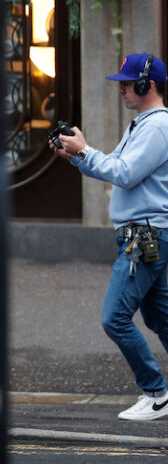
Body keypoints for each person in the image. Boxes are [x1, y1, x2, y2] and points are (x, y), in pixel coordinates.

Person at [52, 52, 168, 421]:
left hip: (144, 235)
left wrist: (85, 150)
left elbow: (124, 173)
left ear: (147, 85)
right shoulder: (142, 125)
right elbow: (113, 168)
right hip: (146, 234)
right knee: (159, 317)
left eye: (127, 83)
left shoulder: (156, 127)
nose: (121, 90)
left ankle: (156, 394)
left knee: (114, 317)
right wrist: (75, 156)